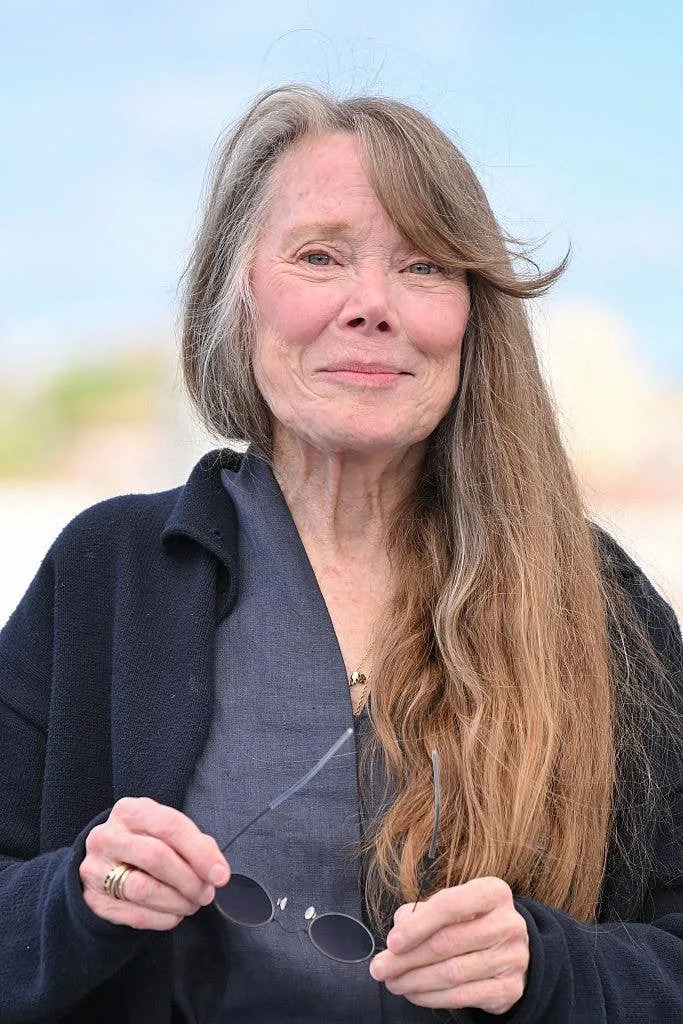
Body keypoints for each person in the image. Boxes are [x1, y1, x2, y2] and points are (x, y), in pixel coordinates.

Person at [0, 84, 680, 1024]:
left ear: (473, 316)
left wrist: (554, 968)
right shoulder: (108, 572)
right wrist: (74, 899)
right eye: (319, 256)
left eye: (425, 267)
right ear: (234, 295)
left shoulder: (596, 601)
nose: (372, 305)